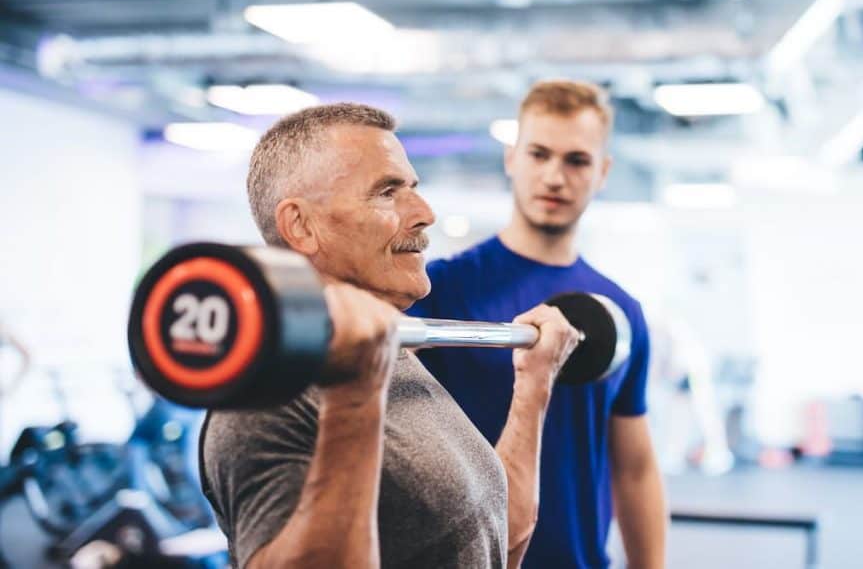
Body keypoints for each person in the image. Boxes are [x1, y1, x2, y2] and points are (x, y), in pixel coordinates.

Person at [199, 103, 580, 568]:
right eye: (387, 192)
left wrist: (534, 385)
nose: (424, 214)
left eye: (413, 189)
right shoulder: (268, 397)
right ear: (301, 225)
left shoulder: (395, 352)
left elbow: (497, 534)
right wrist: (354, 401)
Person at [408, 80, 667, 568]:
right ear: (512, 158)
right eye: (539, 154)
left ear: (603, 172)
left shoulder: (622, 312)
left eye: (577, 160)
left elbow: (634, 469)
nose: (554, 176)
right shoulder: (437, 290)